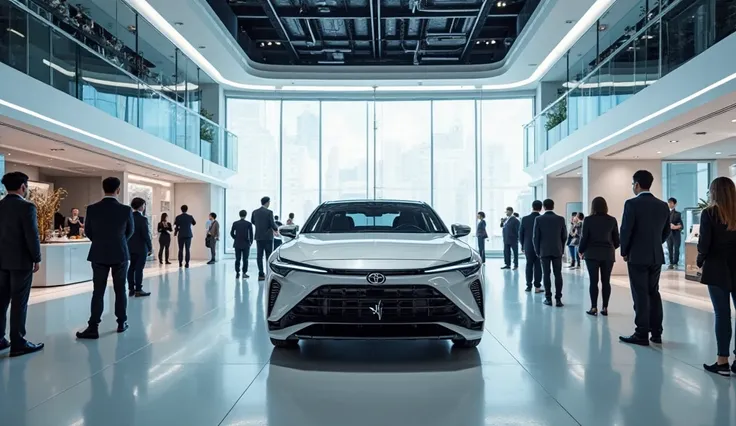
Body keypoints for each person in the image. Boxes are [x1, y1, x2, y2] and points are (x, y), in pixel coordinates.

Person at [76, 177, 134, 339]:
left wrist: (100, 241)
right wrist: (119, 241)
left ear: (103, 189)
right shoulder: (125, 210)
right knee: (120, 289)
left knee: (98, 291)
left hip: (99, 253)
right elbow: (130, 231)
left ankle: (93, 326)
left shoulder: (92, 209)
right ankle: (122, 322)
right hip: (120, 253)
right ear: (118, 190)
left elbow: (88, 231)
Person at [619, 170, 670, 346]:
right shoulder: (663, 205)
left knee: (640, 294)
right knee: (653, 293)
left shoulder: (631, 204)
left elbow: (626, 230)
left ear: (637, 184)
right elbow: (666, 231)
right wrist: (655, 243)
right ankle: (656, 332)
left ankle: (641, 333)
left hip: (637, 256)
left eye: (633, 184)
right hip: (656, 255)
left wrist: (624, 251)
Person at [0, 172, 44, 357]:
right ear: (23, 187)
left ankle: (0, 339)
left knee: (1, 301)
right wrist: (37, 257)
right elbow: (31, 235)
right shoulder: (27, 207)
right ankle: (18, 342)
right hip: (21, 262)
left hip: (1, 261)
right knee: (19, 302)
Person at [697, 177, 736, 375]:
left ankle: (722, 361)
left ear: (714, 192)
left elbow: (704, 244)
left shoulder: (709, 213)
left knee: (722, 313)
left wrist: (700, 259)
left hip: (717, 267)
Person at [579, 197, 620, 316]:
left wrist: (581, 250)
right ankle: (605, 307)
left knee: (593, 281)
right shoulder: (612, 220)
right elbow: (617, 240)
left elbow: (584, 238)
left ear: (593, 207)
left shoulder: (588, 220)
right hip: (608, 254)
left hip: (591, 254)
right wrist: (610, 248)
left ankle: (593, 307)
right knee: (606, 281)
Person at [533, 199, 567, 307]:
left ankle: (548, 298)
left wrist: (538, 251)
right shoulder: (560, 219)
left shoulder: (539, 219)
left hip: (544, 251)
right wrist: (561, 249)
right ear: (553, 206)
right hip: (557, 250)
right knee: (558, 274)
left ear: (543, 207)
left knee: (546, 274)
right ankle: (558, 299)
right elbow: (564, 236)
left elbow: (535, 237)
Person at [127, 197, 152, 298]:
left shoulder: (129, 217)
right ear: (142, 206)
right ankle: (138, 289)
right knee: (139, 269)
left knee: (131, 267)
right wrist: (150, 247)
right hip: (141, 247)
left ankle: (131, 289)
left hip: (130, 246)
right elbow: (145, 234)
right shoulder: (143, 219)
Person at [252, 196, 278, 281]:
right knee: (268, 256)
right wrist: (277, 229)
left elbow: (253, 221)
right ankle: (269, 272)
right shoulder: (269, 212)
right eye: (269, 202)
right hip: (268, 237)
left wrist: (260, 226)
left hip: (259, 237)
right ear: (267, 202)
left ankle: (261, 274)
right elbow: (272, 224)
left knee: (259, 256)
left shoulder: (255, 212)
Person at [519, 200, 543, 293]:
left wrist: (522, 245)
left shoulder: (524, 219)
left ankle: (528, 286)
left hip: (528, 246)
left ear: (532, 207)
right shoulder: (542, 218)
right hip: (540, 246)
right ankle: (537, 287)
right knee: (538, 266)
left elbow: (520, 233)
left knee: (529, 265)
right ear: (540, 208)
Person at [231, 210, 254, 279]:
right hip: (246, 244)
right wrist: (250, 242)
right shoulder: (248, 224)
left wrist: (235, 238)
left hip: (237, 243)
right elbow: (251, 234)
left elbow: (232, 233)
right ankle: (244, 273)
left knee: (237, 259)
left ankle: (237, 273)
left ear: (239, 215)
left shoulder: (235, 223)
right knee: (245, 259)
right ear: (246, 215)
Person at [667, 197, 683, 269]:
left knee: (676, 248)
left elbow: (681, 225)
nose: (670, 204)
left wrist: (675, 227)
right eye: (669, 202)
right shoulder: (666, 213)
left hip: (676, 234)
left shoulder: (678, 214)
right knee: (669, 248)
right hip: (668, 234)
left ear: (675, 204)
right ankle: (670, 263)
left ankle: (675, 263)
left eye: (671, 202)